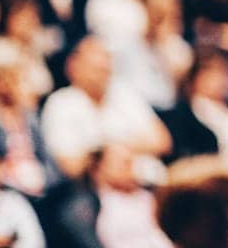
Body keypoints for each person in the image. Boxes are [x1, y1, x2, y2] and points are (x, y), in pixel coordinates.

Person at [40, 36, 171, 180]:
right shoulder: (61, 103)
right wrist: (116, 152)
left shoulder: (124, 93)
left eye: (106, 67)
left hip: (146, 180)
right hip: (94, 191)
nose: (104, 71)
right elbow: (71, 166)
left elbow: (162, 141)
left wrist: (113, 149)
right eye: (95, 69)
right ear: (73, 66)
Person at [0, 38, 57, 198]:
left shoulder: (29, 115)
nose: (20, 82)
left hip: (40, 189)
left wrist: (44, 181)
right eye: (14, 76)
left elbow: (49, 162)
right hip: (3, 193)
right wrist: (18, 185)